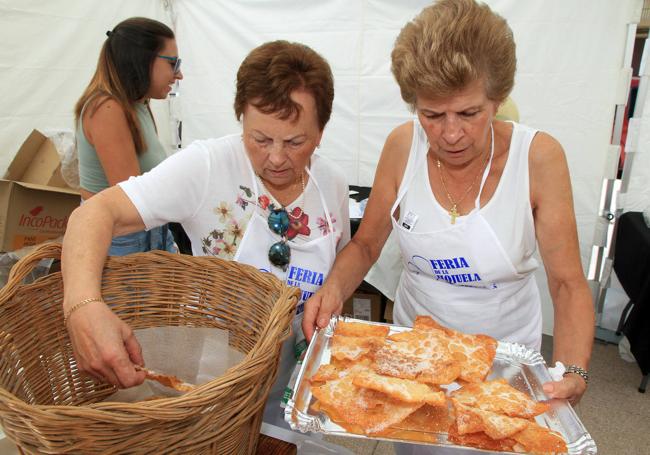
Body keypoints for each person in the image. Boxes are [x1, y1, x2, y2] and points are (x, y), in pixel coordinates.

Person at [303, 0, 594, 435]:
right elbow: (366, 244)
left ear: (497, 99)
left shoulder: (537, 158)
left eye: (469, 113)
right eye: (432, 115)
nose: (451, 133)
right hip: (414, 358)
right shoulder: (403, 148)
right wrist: (332, 290)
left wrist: (574, 370)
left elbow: (568, 283)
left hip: (504, 363)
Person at [62, 40, 350, 428]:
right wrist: (82, 305)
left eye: (296, 142)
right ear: (241, 120)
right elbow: (95, 213)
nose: (277, 158)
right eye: (260, 139)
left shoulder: (330, 183)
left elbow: (342, 262)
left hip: (294, 372)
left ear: (322, 130)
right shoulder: (208, 166)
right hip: (219, 374)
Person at [74, 17, 182, 255]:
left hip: (147, 232)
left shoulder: (138, 105)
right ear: (141, 61)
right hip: (123, 241)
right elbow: (132, 196)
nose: (179, 74)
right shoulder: (108, 109)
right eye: (173, 63)